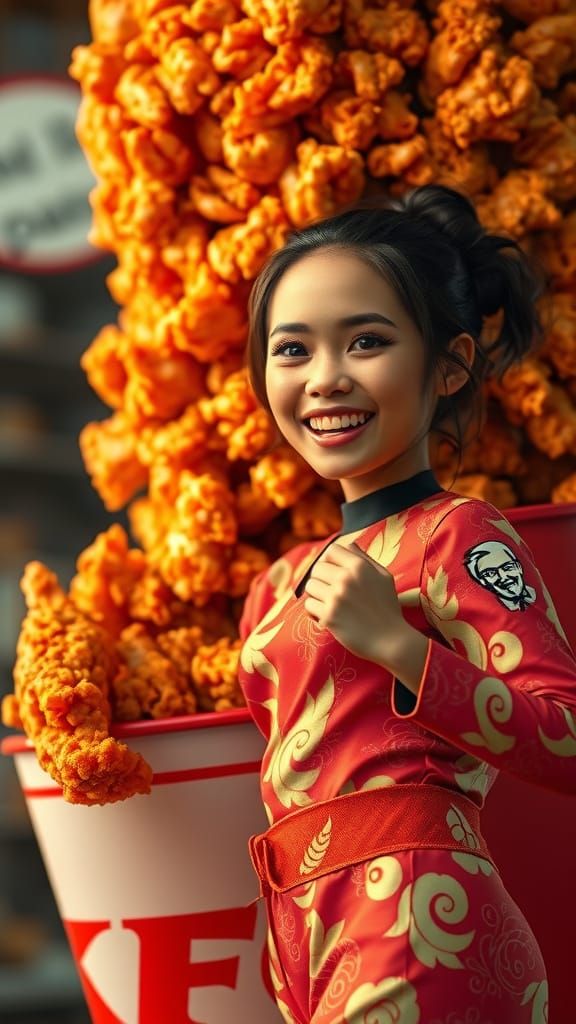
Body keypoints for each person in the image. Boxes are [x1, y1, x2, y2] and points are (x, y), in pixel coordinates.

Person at [237, 184, 576, 1024]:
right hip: (302, 937)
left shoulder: (460, 535)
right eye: (293, 350)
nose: (326, 379)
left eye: (367, 341)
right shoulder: (274, 586)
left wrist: (403, 650)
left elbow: (567, 732)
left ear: (451, 362)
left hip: (427, 927)